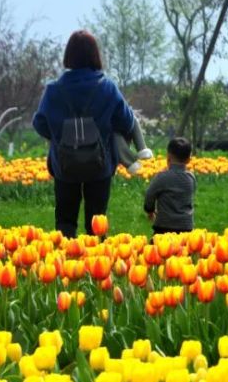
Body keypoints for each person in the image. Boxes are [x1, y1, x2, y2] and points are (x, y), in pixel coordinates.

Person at [33, 30, 135, 237]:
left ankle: (66, 266)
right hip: (100, 164)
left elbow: (39, 123)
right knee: (96, 222)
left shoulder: (54, 90)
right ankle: (97, 265)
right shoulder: (107, 87)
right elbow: (126, 121)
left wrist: (59, 136)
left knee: (65, 221)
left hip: (64, 165)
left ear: (68, 55)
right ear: (95, 55)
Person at [143, 137, 196, 235]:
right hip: (186, 227)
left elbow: (150, 195)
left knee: (156, 248)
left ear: (168, 157)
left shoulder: (162, 177)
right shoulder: (191, 178)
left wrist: (150, 210)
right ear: (189, 159)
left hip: (164, 226)